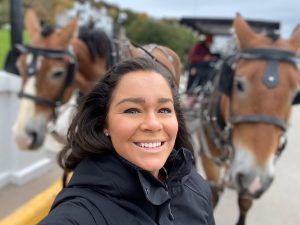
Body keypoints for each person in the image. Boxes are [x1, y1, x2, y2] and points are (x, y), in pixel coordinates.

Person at [38, 57, 215, 225]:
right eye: (132, 110)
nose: (153, 124)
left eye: (164, 110)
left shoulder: (196, 186)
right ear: (104, 123)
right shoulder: (82, 212)